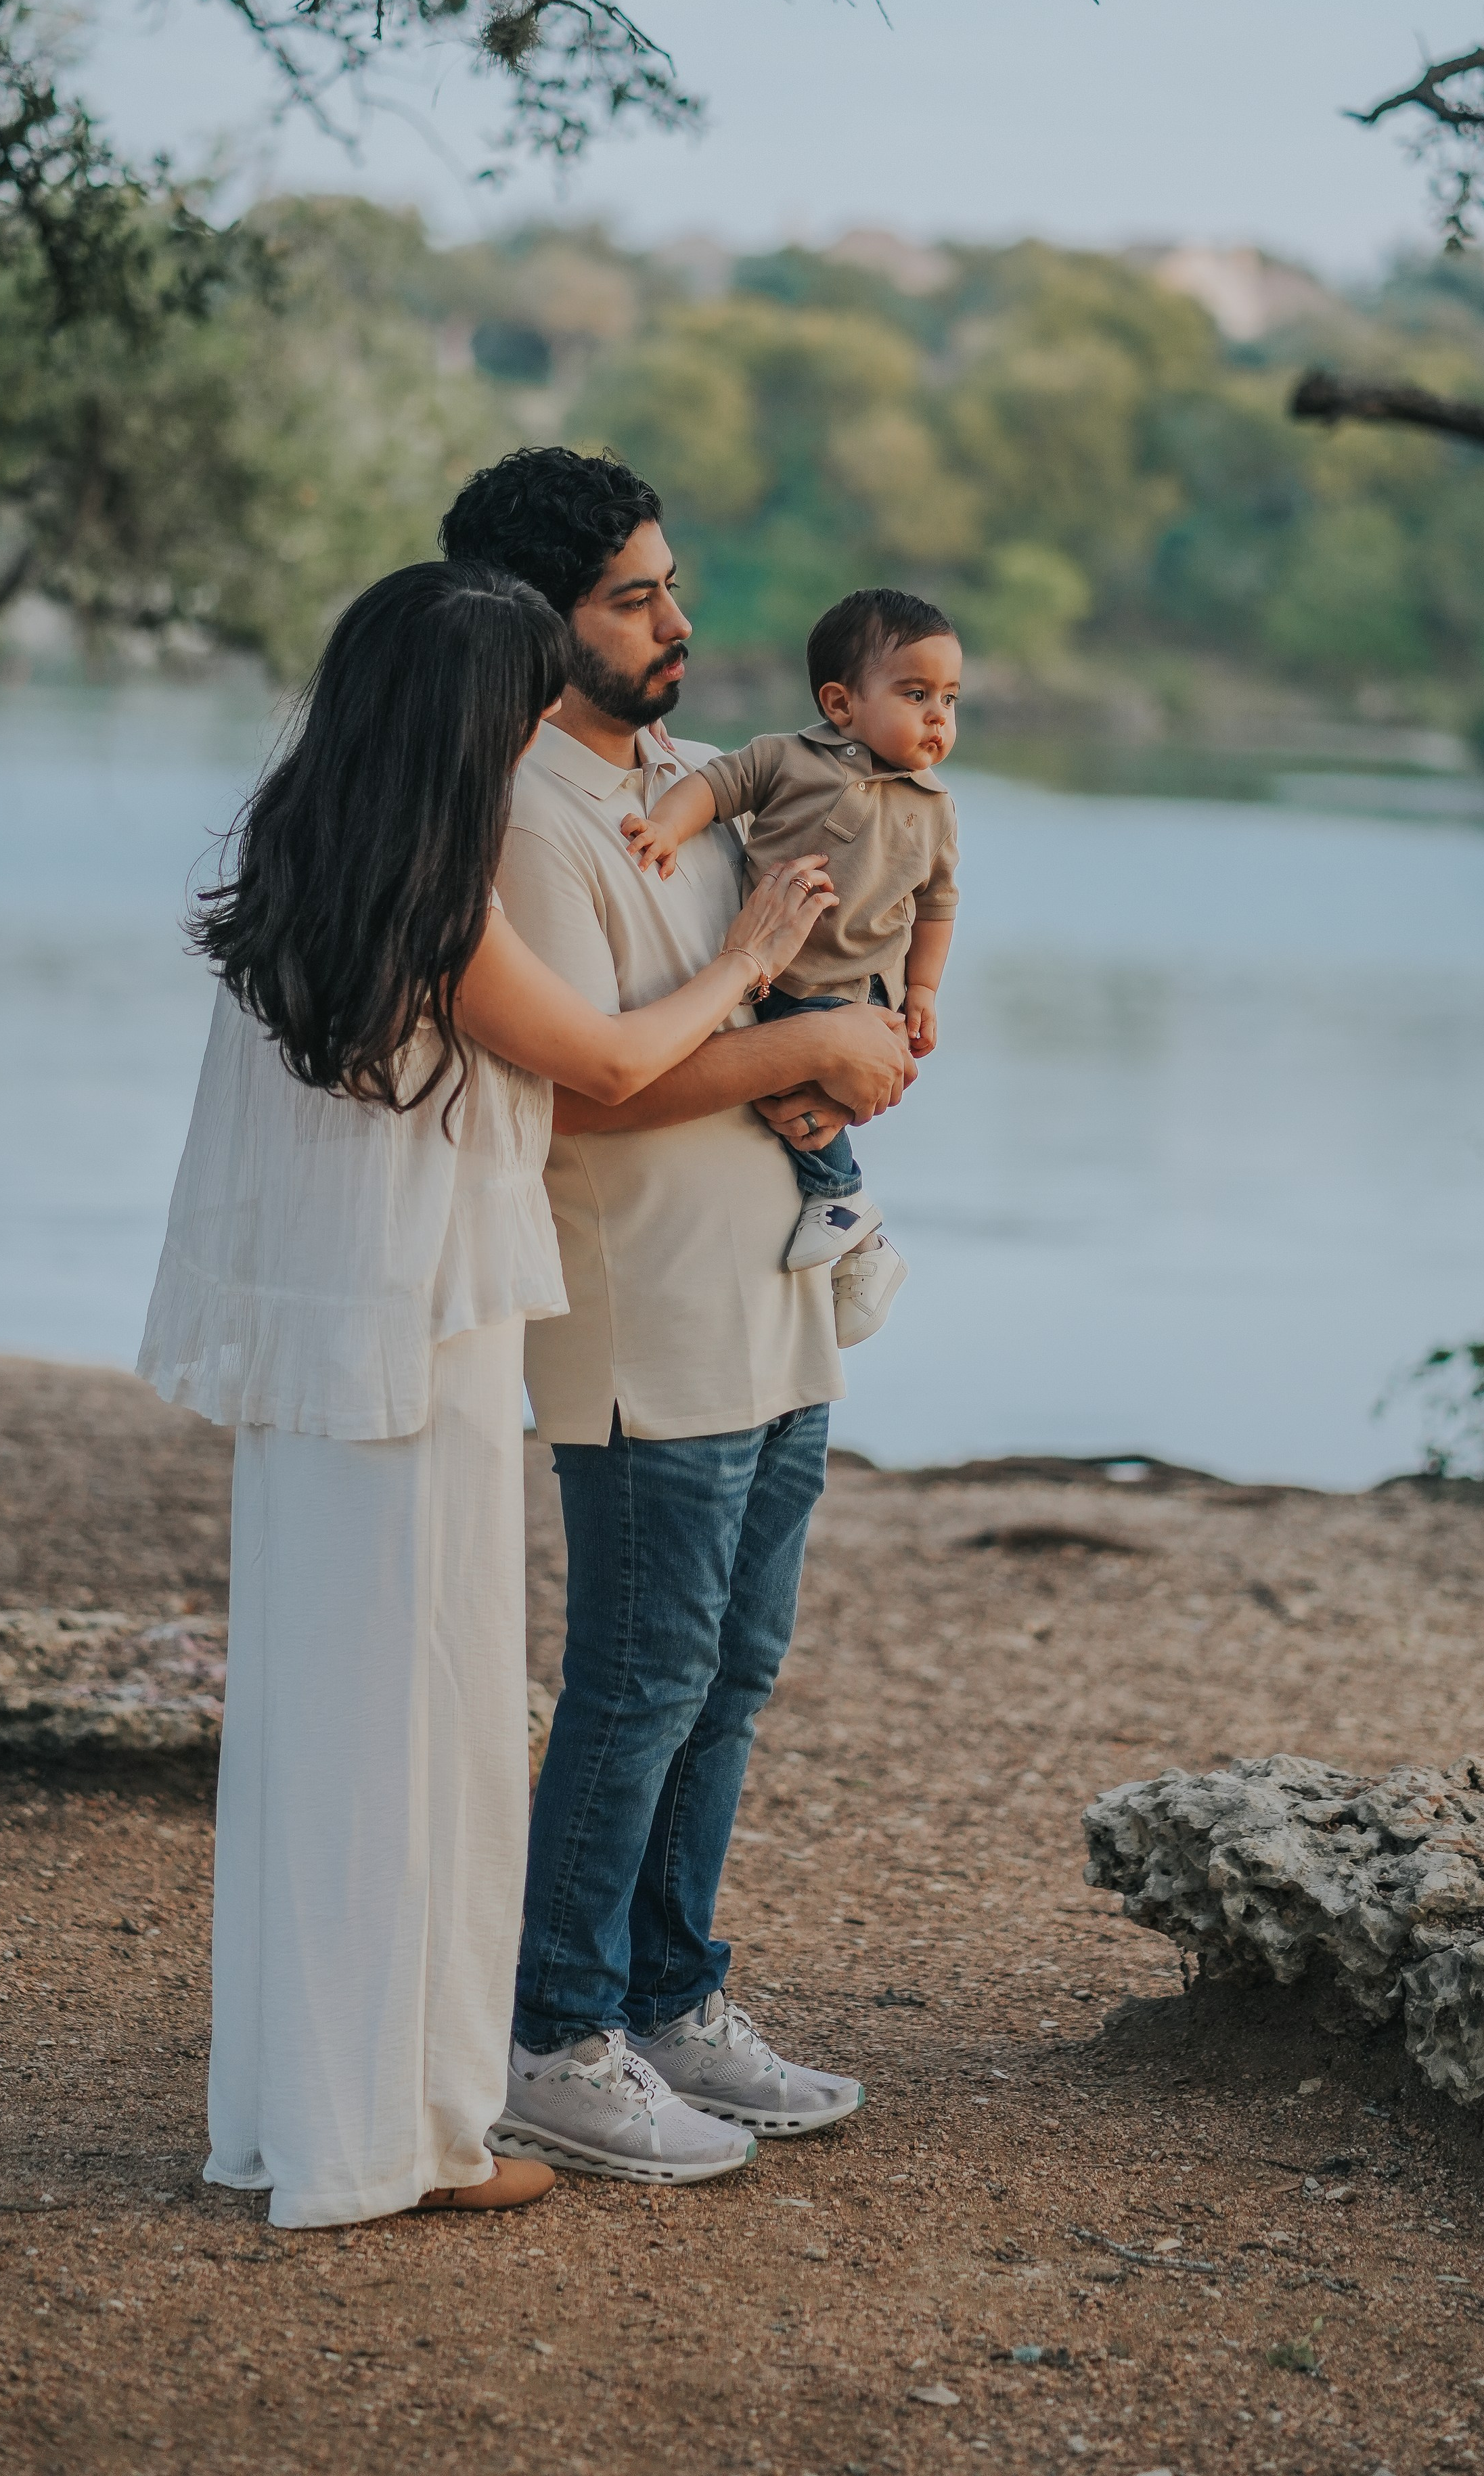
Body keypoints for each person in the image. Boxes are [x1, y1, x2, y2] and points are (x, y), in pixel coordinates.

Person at [136, 561, 840, 2228]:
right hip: (417, 1344)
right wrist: (749, 959)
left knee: (327, 1737)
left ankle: (322, 2109)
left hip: (335, 1356)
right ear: (474, 719)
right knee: (418, 1734)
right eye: (524, 702)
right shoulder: (432, 905)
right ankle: (393, 2135)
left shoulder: (301, 859)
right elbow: (600, 1065)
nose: (542, 726)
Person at [437, 453, 918, 2186]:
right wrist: (798, 1054)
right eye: (635, 595)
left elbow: (793, 978)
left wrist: (853, 1040)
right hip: (646, 1315)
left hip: (770, 1295)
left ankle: (664, 1997)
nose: (679, 620)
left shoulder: (694, 783)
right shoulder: (517, 813)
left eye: (670, 583)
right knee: (638, 1680)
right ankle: (549, 2033)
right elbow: (577, 1096)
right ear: (531, 616)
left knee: (728, 1675)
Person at [620, 585, 961, 1313]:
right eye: (915, 694)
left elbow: (936, 904)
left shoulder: (935, 805)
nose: (938, 717)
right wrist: (668, 830)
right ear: (840, 705)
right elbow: (714, 786)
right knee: (770, 1080)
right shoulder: (789, 759)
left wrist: (924, 993)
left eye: (950, 699)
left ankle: (843, 1205)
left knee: (809, 1089)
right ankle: (855, 1228)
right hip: (775, 969)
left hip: (856, 989)